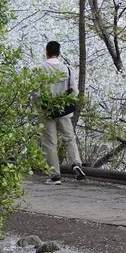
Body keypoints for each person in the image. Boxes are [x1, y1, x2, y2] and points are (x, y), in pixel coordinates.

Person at [39, 40, 86, 184]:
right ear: (59, 53)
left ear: (46, 51)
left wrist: (38, 106)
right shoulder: (67, 69)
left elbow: (36, 92)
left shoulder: (41, 68)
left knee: (49, 142)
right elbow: (74, 91)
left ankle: (55, 175)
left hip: (47, 111)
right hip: (64, 111)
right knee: (69, 138)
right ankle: (76, 163)